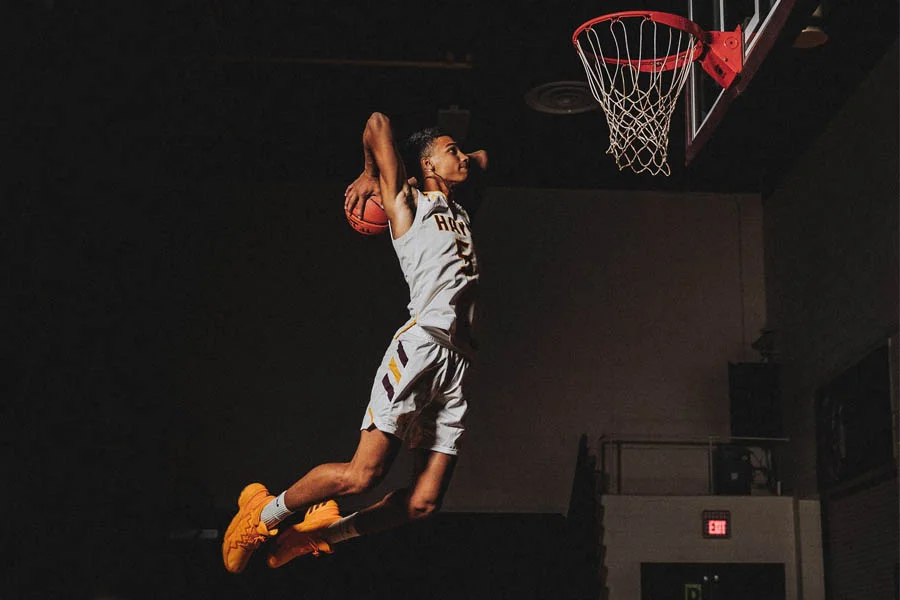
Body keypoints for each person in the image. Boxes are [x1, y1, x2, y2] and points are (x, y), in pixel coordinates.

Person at [222, 111, 488, 574]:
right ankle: (262, 515)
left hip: (458, 364)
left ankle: (316, 535)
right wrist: (372, 173)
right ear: (425, 166)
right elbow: (378, 122)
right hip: (421, 347)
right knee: (362, 475)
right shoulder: (406, 203)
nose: (463, 157)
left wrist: (457, 156)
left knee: (424, 503)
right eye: (452, 152)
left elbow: (480, 159)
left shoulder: (459, 209)